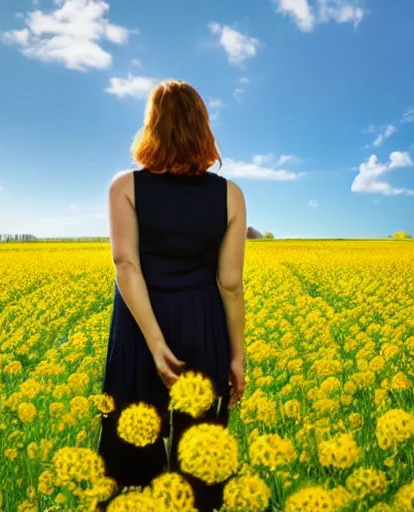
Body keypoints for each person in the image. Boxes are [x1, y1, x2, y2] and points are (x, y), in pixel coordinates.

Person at [99, 80, 246, 512]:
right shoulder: (230, 195)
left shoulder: (124, 186)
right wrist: (236, 356)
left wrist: (156, 344)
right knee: (199, 463)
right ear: (203, 127)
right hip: (203, 325)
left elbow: (126, 265)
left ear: (151, 128)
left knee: (130, 458)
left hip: (139, 329)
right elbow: (231, 284)